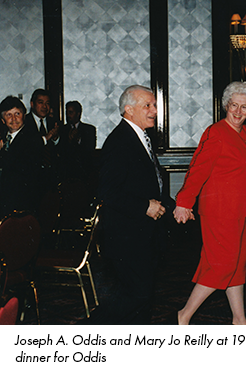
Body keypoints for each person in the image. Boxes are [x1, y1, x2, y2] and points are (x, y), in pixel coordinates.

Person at [173, 81, 246, 325]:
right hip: (219, 211)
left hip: (240, 211)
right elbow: (197, 170)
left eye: (244, 107)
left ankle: (239, 318)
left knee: (236, 264)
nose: (238, 112)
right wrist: (184, 202)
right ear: (225, 106)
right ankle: (185, 315)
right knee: (221, 265)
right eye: (234, 105)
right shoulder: (216, 132)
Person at [95, 84, 175, 324]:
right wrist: (144, 207)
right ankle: (84, 332)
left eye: (154, 105)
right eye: (147, 106)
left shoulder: (139, 137)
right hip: (127, 235)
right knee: (136, 294)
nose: (154, 111)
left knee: (142, 296)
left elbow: (148, 185)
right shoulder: (119, 141)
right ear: (128, 110)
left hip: (142, 233)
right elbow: (107, 192)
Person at [0, 96, 43, 218]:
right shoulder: (4, 139)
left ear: (24, 115)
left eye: (17, 114)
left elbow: (19, 170)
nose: (13, 119)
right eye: (8, 115)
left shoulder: (32, 139)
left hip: (21, 204)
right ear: (3, 120)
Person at [24, 89, 61, 191]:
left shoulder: (54, 123)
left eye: (47, 103)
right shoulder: (24, 123)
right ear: (32, 104)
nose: (45, 107)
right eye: (41, 103)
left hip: (52, 176)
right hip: (30, 177)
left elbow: (61, 148)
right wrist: (46, 138)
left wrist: (55, 138)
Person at [58, 100, 96, 181]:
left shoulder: (89, 129)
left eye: (71, 112)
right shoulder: (62, 129)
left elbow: (90, 149)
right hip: (66, 174)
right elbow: (60, 151)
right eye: (67, 112)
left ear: (78, 114)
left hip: (84, 173)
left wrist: (77, 140)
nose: (68, 115)